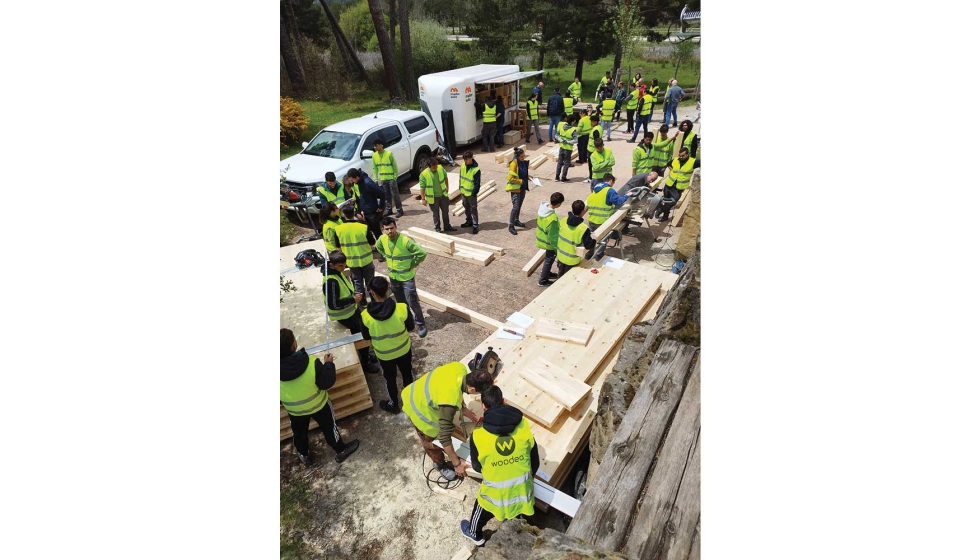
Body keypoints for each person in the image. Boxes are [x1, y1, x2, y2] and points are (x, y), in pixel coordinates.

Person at [459, 386, 539, 546]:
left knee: (482, 504)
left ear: (483, 406)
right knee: (522, 516)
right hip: (522, 493)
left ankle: (475, 534)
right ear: (503, 401)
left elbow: (476, 467)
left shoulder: (478, 436)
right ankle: (522, 525)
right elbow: (535, 462)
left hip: (495, 495)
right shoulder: (523, 425)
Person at [402, 361, 494, 481]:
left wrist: (463, 407)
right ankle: (439, 464)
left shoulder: (459, 368)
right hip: (418, 408)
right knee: (432, 441)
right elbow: (444, 437)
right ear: (472, 388)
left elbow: (453, 386)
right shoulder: (449, 401)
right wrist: (457, 464)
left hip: (417, 391)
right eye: (478, 392)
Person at [281, 328, 360, 465]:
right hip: (319, 405)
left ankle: (303, 454)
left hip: (295, 412)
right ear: (294, 345)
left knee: (299, 433)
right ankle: (341, 450)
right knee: (329, 428)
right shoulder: (311, 362)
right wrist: (328, 364)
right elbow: (327, 382)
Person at [360, 276, 416, 413]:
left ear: (372, 292)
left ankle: (393, 404)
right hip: (403, 349)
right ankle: (411, 402)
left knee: (389, 379)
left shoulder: (365, 315)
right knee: (407, 374)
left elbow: (366, 337)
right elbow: (410, 327)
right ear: (388, 289)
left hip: (384, 355)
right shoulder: (402, 308)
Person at [323, 251, 382, 375]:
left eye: (344, 264)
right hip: (345, 316)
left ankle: (367, 354)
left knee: (363, 332)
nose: (343, 267)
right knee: (361, 336)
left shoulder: (335, 273)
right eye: (340, 265)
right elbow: (333, 304)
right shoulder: (330, 282)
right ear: (332, 265)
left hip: (351, 310)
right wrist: (352, 299)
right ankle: (366, 362)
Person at [376, 217, 429, 338]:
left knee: (412, 301)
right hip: (393, 277)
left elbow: (422, 253)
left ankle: (421, 324)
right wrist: (385, 255)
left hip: (406, 277)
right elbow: (378, 247)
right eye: (387, 229)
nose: (390, 231)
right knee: (400, 302)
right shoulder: (382, 239)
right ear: (382, 229)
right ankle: (407, 321)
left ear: (396, 227)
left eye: (392, 228)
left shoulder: (405, 241)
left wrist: (413, 264)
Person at [335, 205, 375, 301]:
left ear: (343, 215)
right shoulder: (363, 227)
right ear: (354, 214)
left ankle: (362, 302)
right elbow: (372, 243)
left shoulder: (338, 229)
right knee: (370, 282)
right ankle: (374, 301)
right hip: (367, 260)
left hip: (351, 262)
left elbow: (338, 247)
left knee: (357, 283)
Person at [656, 147, 700, 222]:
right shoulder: (676, 160)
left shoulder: (693, 162)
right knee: (666, 201)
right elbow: (668, 163)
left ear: (687, 154)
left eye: (683, 156)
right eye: (680, 155)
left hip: (678, 187)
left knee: (673, 202)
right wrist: (671, 170)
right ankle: (665, 216)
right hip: (669, 184)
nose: (681, 157)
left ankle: (661, 209)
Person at [555, 200, 595, 278]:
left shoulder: (563, 220)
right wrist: (593, 239)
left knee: (560, 276)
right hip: (572, 260)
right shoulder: (583, 228)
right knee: (567, 279)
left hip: (560, 256)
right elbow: (588, 245)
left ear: (572, 209)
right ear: (583, 211)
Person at [345, 167, 385, 245]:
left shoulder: (367, 183)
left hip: (372, 211)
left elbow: (382, 192)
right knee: (371, 231)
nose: (352, 182)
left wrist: (380, 206)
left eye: (352, 180)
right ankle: (378, 246)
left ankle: (383, 250)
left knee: (377, 232)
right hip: (366, 211)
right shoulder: (360, 182)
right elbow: (364, 197)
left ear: (356, 177)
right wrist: (362, 209)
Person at [419, 157, 455, 233]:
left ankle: (447, 226)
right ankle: (437, 228)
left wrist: (447, 187)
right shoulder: (424, 174)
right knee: (436, 214)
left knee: (445, 212)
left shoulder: (440, 168)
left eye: (436, 166)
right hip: (433, 198)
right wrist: (423, 199)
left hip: (443, 195)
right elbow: (422, 187)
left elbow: (445, 177)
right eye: (433, 167)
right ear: (429, 166)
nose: (435, 168)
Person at [535, 192, 564, 287]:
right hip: (548, 242)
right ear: (559, 204)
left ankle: (547, 273)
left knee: (548, 259)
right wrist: (557, 249)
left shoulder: (543, 208)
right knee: (549, 259)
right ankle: (542, 280)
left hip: (542, 238)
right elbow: (554, 238)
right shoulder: (552, 219)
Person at [371, 138, 402, 218]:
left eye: (376, 145)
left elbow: (394, 165)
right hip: (383, 179)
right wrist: (375, 179)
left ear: (381, 145)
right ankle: (389, 210)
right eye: (374, 146)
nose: (375, 147)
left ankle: (399, 210)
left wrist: (395, 177)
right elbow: (374, 168)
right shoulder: (374, 156)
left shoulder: (389, 154)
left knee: (395, 195)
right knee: (386, 195)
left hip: (391, 178)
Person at [506, 147, 531, 236]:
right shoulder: (514, 164)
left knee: (519, 205)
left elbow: (522, 172)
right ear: (517, 156)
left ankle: (516, 220)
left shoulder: (522, 162)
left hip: (523, 188)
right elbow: (510, 178)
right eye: (521, 156)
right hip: (516, 188)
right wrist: (520, 181)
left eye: (524, 156)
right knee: (515, 207)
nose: (523, 158)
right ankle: (511, 225)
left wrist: (528, 176)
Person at [459, 151, 481, 234]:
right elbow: (461, 177)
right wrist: (460, 188)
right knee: (466, 208)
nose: (465, 161)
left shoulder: (476, 170)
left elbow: (477, 184)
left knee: (473, 209)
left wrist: (474, 193)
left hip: (471, 194)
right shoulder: (462, 165)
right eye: (464, 159)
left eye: (466, 159)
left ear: (471, 158)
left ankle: (475, 225)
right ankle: (469, 221)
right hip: (463, 192)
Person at [554, 114, 577, 183]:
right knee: (566, 163)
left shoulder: (561, 127)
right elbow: (576, 140)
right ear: (573, 122)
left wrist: (561, 140)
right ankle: (563, 178)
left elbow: (556, 135)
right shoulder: (573, 130)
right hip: (568, 149)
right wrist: (568, 142)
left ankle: (557, 177)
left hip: (561, 147)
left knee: (560, 162)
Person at [585, 116, 603, 180]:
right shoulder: (599, 127)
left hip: (592, 150)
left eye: (591, 121)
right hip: (593, 150)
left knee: (591, 165)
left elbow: (596, 140)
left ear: (595, 122)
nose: (590, 123)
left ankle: (591, 177)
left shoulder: (595, 130)